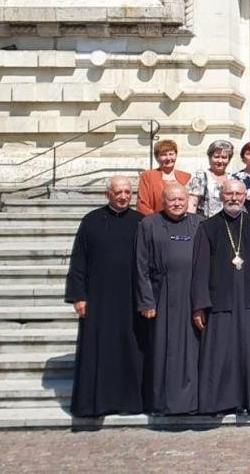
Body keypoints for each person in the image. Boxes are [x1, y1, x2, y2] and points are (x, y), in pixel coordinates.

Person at [64, 175, 145, 418]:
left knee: (130, 349)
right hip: (98, 299)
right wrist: (78, 296)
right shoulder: (91, 221)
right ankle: (96, 403)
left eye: (127, 192)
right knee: (98, 351)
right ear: (107, 194)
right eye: (118, 192)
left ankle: (130, 402)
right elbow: (79, 260)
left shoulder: (141, 222)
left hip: (131, 298)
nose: (123, 197)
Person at [191, 179, 250, 414]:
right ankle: (219, 402)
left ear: (245, 197)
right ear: (221, 196)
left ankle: (248, 401)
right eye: (229, 193)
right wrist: (200, 305)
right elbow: (200, 268)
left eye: (238, 194)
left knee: (248, 353)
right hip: (219, 299)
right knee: (221, 354)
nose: (234, 198)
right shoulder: (208, 226)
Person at [135, 183, 203, 415]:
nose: (176, 203)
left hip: (191, 295)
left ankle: (191, 402)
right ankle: (161, 402)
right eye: (172, 200)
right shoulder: (149, 224)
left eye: (181, 200)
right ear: (163, 201)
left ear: (188, 201)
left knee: (191, 349)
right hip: (160, 295)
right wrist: (146, 301)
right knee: (163, 349)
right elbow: (140, 265)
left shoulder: (199, 223)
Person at [138, 139, 191, 215]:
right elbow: (142, 204)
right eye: (164, 155)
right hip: (155, 221)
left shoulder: (186, 177)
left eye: (171, 154)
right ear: (157, 157)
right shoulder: (148, 176)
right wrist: (154, 221)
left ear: (176, 155)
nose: (168, 158)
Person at [187, 140, 234, 217]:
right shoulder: (200, 177)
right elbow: (192, 204)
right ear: (209, 158)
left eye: (224, 157)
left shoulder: (232, 178)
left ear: (229, 160)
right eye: (216, 157)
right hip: (205, 224)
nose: (220, 160)